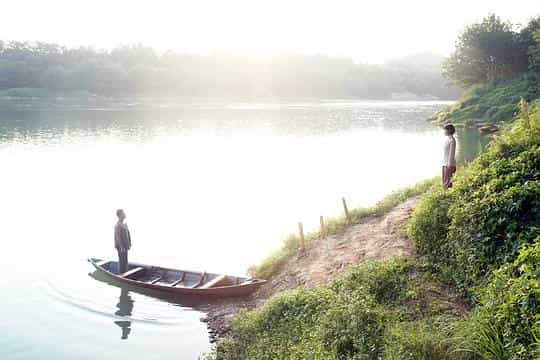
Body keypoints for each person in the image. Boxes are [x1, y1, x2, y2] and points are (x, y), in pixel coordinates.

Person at [114, 209, 132, 274]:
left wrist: (129, 243)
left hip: (125, 246)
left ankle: (126, 273)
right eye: (123, 213)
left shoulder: (123, 224)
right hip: (121, 247)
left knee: (125, 261)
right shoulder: (117, 225)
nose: (124, 214)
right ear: (119, 215)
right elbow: (118, 237)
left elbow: (127, 234)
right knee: (122, 262)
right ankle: (122, 275)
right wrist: (121, 247)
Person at [442, 124, 457, 190]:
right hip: (444, 163)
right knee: (444, 180)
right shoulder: (447, 139)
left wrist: (450, 164)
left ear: (449, 130)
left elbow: (452, 153)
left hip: (449, 164)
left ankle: (446, 195)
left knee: (447, 181)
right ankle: (445, 194)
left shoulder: (452, 140)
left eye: (445, 130)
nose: (444, 131)